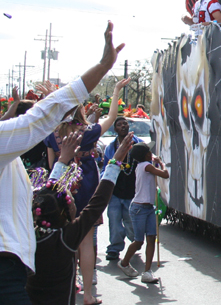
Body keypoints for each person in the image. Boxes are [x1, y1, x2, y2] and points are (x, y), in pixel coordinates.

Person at [0, 21, 124, 305]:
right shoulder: (82, 132)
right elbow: (39, 118)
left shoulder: (53, 139)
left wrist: (63, 162)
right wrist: (103, 67)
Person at [44, 77, 130, 303]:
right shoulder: (88, 131)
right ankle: (89, 295)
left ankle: (70, 289)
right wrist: (116, 92)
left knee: (66, 239)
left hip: (62, 185)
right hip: (88, 183)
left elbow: (52, 163)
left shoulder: (52, 133)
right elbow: (112, 117)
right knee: (85, 241)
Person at [27, 131, 134, 305]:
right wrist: (114, 162)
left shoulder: (29, 235)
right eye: (71, 201)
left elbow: (46, 199)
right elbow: (98, 202)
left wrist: (62, 160)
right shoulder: (66, 236)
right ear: (65, 212)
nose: (75, 205)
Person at [118, 142, 169, 284]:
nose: (151, 154)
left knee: (151, 238)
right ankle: (124, 263)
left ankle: (147, 272)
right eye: (149, 152)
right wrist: (161, 162)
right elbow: (165, 174)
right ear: (145, 155)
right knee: (139, 241)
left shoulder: (144, 166)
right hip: (139, 208)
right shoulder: (146, 166)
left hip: (149, 208)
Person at [102, 118, 142, 262]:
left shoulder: (138, 144)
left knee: (131, 222)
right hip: (115, 191)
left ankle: (134, 242)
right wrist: (103, 184)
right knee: (114, 220)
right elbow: (106, 167)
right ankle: (114, 248)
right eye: (119, 124)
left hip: (132, 191)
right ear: (115, 130)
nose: (123, 126)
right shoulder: (111, 148)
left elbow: (146, 164)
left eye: (125, 123)